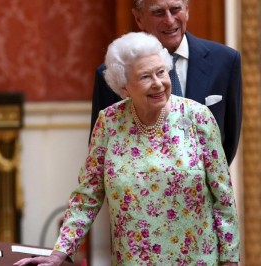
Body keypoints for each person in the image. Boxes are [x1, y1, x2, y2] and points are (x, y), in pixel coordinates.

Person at [14, 32, 239, 265]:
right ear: (124, 87)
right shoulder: (109, 122)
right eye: (145, 77)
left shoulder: (198, 118)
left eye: (161, 72)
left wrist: (230, 260)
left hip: (197, 260)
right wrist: (58, 253)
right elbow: (87, 196)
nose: (158, 83)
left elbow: (223, 198)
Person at [90, 0, 242, 166]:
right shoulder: (113, 73)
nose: (169, 20)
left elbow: (229, 140)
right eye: (158, 12)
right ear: (139, 18)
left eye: (175, 9)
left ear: (187, 11)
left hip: (200, 188)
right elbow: (101, 151)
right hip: (138, 188)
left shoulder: (226, 62)